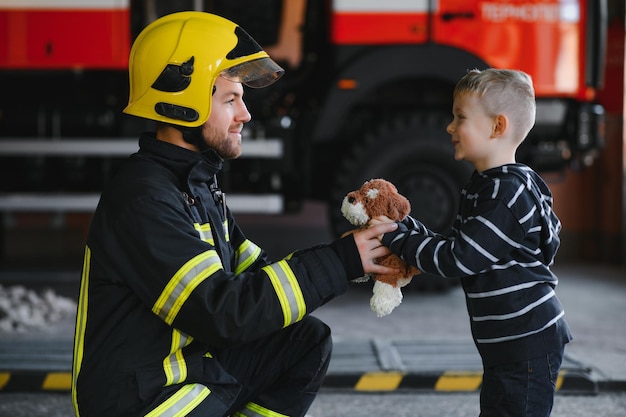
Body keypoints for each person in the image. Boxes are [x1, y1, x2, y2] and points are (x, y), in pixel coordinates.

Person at [71, 11, 398, 417]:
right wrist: (339, 261)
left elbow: (256, 277)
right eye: (230, 99)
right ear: (181, 105)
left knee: (303, 342)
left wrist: (353, 256)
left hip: (180, 374)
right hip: (144, 399)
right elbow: (222, 312)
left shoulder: (193, 184)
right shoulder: (144, 199)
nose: (245, 114)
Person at [374, 68, 573, 417]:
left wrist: (399, 237)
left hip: (525, 341)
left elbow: (458, 259)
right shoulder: (489, 184)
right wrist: (402, 225)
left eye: (460, 117)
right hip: (509, 344)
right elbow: (461, 246)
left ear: (497, 126)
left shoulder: (506, 193)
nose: (450, 127)